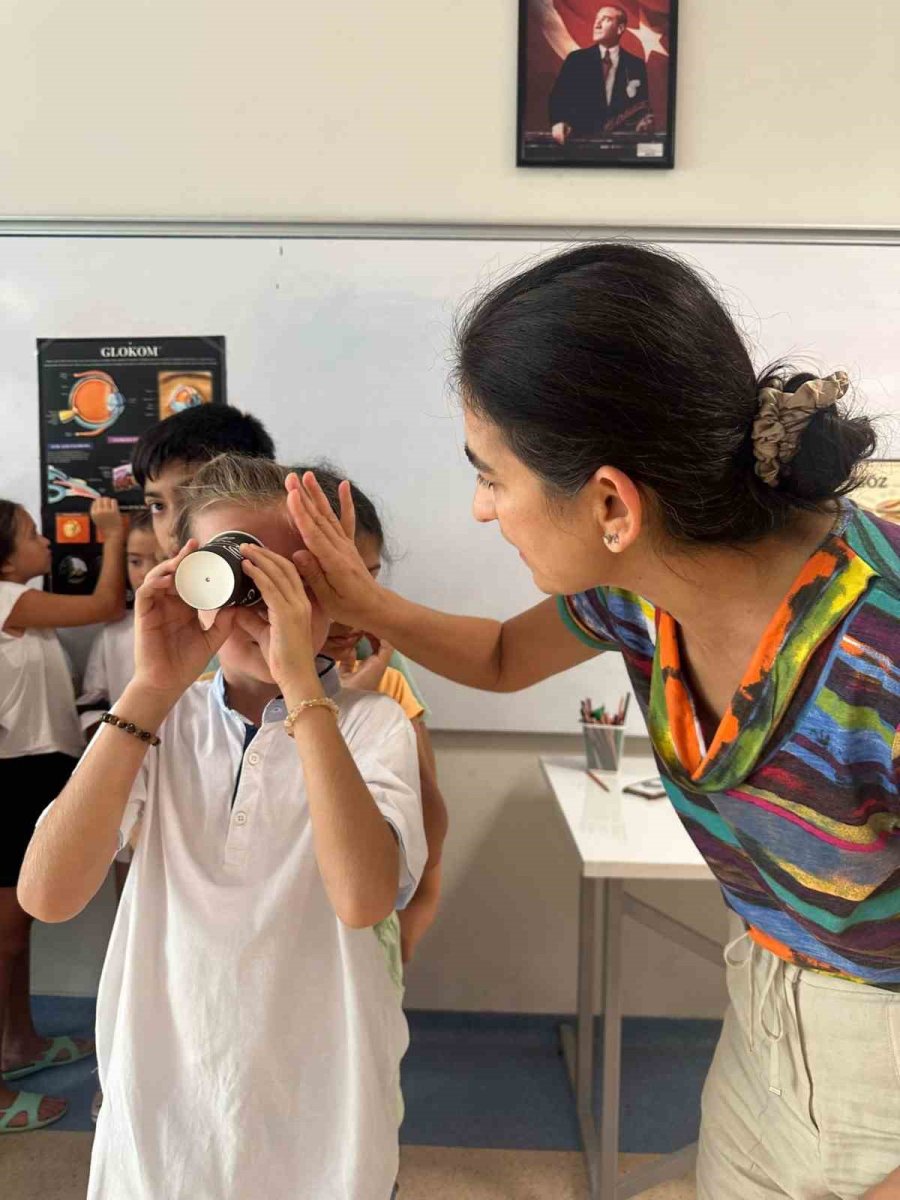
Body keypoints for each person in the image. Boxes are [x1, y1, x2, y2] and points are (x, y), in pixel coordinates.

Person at [283, 242, 900, 1199]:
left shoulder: (881, 649)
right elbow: (497, 656)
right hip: (763, 1008)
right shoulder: (641, 590)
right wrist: (362, 601)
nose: (483, 510)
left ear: (611, 501)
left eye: (492, 477)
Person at [18, 454, 426, 1200]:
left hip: (324, 1116)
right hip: (164, 1112)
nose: (261, 609)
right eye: (237, 576)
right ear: (189, 577)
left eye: (295, 584)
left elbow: (364, 898)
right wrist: (151, 687)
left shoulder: (374, 727)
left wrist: (302, 680)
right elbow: (47, 894)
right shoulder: (154, 725)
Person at [0, 496, 125, 1133]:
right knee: (4, 936)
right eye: (29, 534)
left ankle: (17, 1043)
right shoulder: (7, 601)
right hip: (10, 778)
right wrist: (111, 536)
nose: (46, 542)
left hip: (34, 772)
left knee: (18, 934)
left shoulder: (22, 606)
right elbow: (106, 605)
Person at [304, 465, 448, 963]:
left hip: (359, 949)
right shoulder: (211, 683)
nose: (352, 608)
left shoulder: (384, 669)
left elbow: (430, 826)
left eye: (365, 581)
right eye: (328, 582)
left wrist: (415, 921)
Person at [132, 402, 276, 555]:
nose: (172, 529)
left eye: (192, 498)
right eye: (158, 506)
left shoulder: (297, 572)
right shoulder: (157, 578)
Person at [550, 5, 652, 142]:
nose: (597, 24)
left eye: (605, 19)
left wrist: (643, 123)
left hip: (621, 145)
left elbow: (642, 107)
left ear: (620, 28)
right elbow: (558, 98)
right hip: (580, 142)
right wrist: (558, 122)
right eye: (597, 19)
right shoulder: (576, 60)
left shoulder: (636, 65)